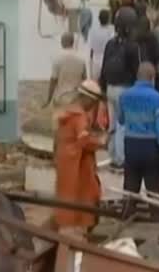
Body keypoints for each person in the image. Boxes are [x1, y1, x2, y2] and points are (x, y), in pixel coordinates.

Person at [53, 80, 104, 235]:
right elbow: (84, 141)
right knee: (85, 195)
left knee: (65, 195)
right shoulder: (80, 117)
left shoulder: (66, 113)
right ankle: (79, 229)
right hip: (79, 165)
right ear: (88, 99)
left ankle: (65, 225)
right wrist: (100, 142)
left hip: (65, 161)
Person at [118, 62, 159, 199]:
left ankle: (127, 213)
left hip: (131, 145)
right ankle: (156, 217)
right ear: (152, 77)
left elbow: (121, 119)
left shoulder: (125, 95)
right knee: (154, 193)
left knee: (130, 189)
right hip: (151, 148)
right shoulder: (158, 98)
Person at [100, 12, 140, 167]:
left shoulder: (110, 44)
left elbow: (104, 67)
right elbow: (136, 70)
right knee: (123, 124)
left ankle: (112, 155)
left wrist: (103, 89)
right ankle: (121, 159)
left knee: (112, 123)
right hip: (126, 88)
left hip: (110, 88)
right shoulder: (132, 46)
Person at [45, 33, 87, 109]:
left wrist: (49, 99)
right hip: (76, 97)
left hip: (61, 98)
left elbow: (53, 81)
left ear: (62, 43)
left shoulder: (57, 59)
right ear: (73, 42)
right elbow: (84, 79)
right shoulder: (81, 59)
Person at [88, 9, 114, 80]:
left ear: (99, 19)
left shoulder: (93, 30)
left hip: (95, 60)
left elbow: (91, 49)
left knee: (95, 84)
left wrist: (90, 62)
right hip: (108, 60)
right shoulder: (112, 30)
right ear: (109, 19)